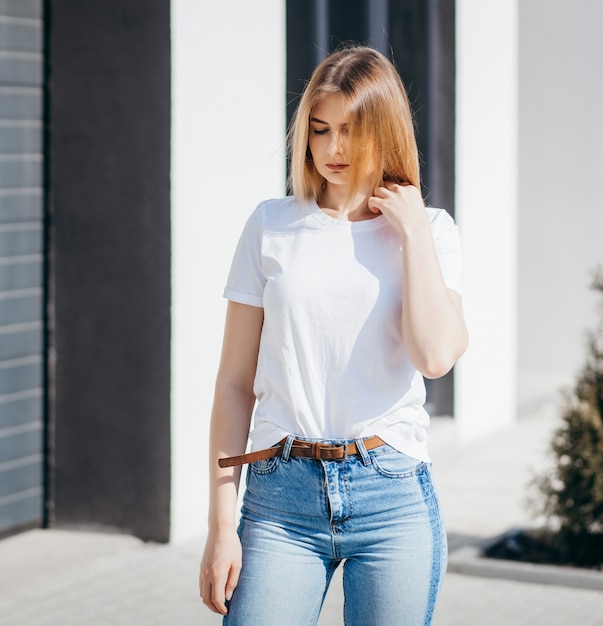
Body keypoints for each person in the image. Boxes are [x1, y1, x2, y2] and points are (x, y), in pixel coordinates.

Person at [199, 45, 468, 626]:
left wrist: (414, 233)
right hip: (280, 497)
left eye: (350, 131)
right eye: (320, 131)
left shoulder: (432, 232)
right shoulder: (272, 225)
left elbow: (437, 355)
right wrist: (222, 527)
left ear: (385, 129)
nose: (333, 149)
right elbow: (234, 384)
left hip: (390, 493)